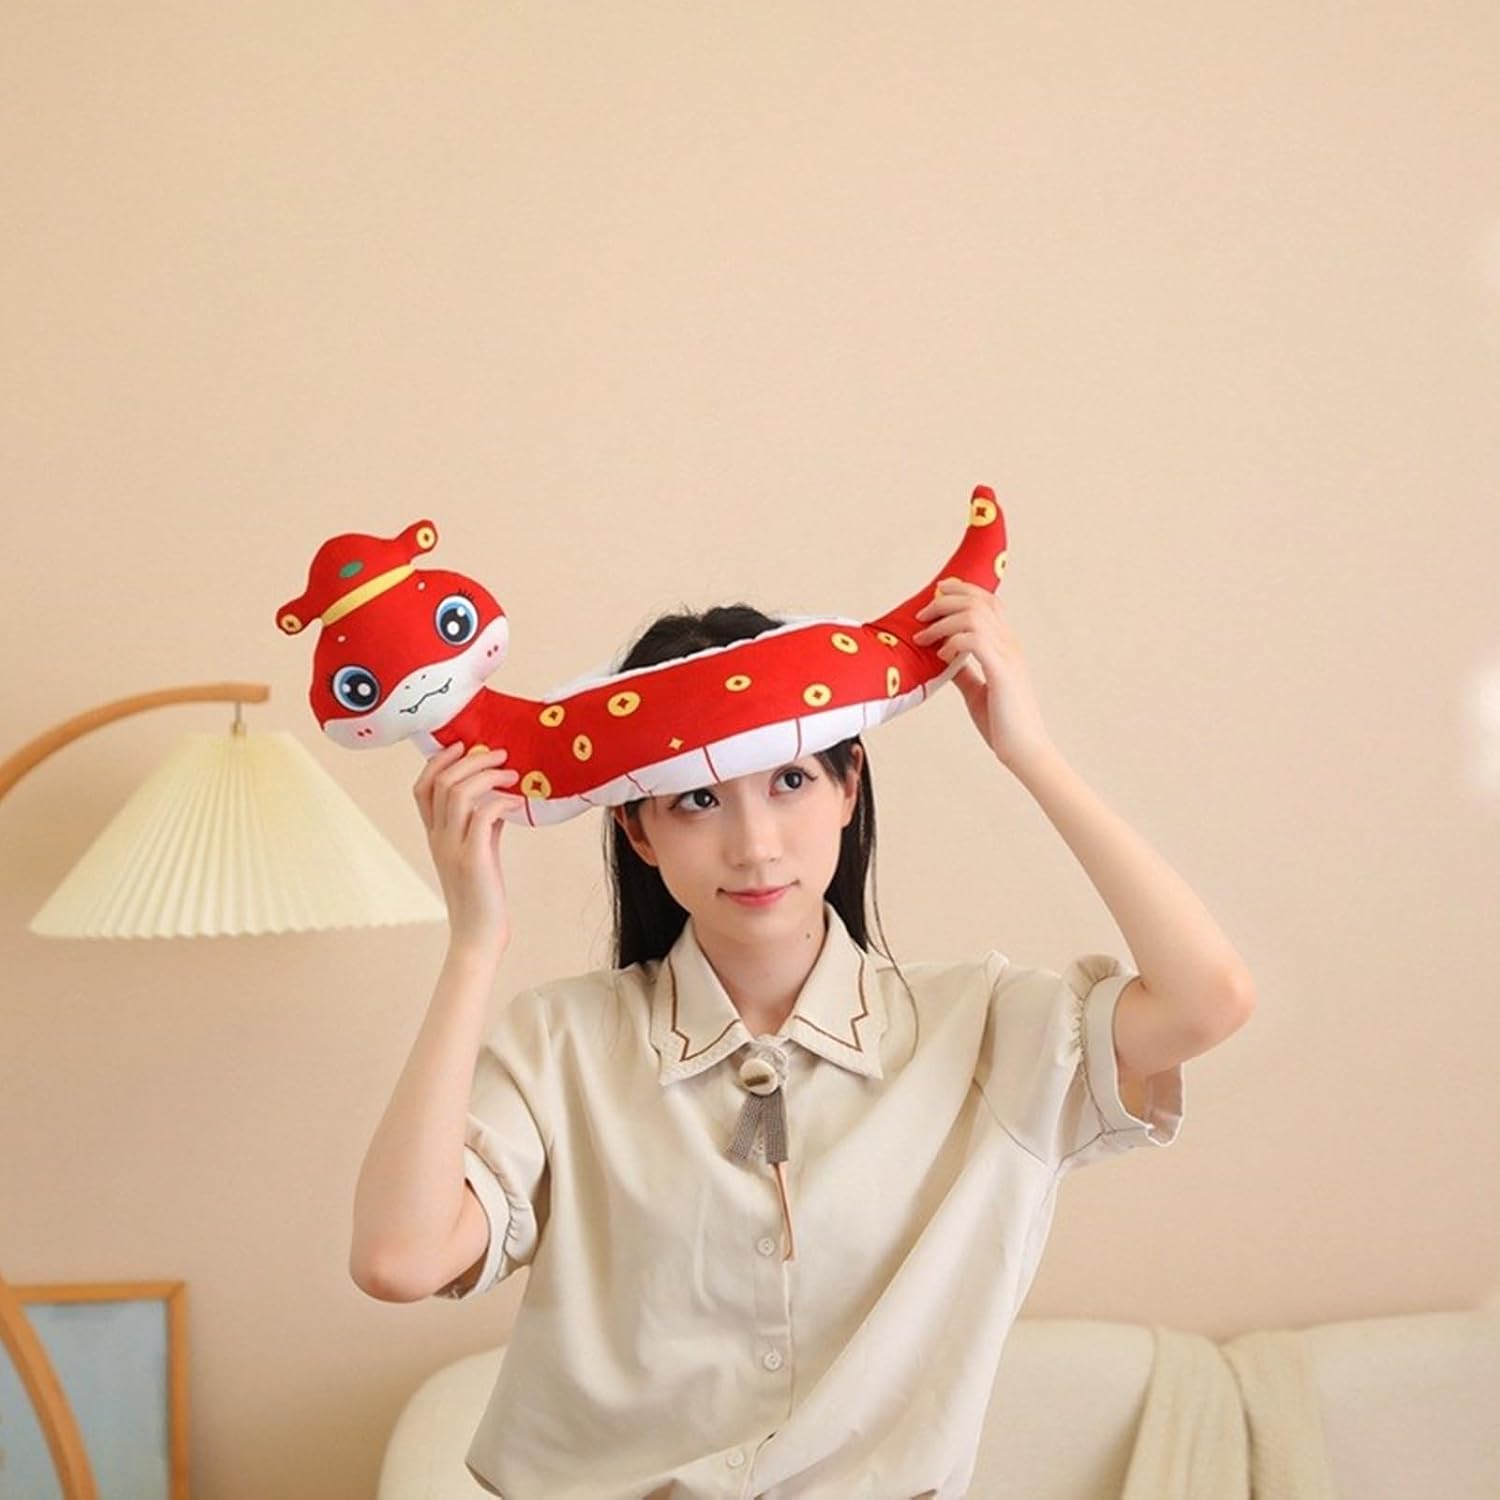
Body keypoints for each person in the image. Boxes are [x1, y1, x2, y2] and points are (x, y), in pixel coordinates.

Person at [349, 587, 1253, 1499]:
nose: (754, 846)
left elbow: (1207, 1000)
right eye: (698, 798)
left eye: (789, 781)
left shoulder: (981, 1027)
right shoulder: (563, 1043)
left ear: (848, 785)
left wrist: (1030, 752)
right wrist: (475, 942)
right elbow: (399, 1259)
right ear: (636, 827)